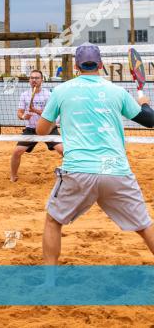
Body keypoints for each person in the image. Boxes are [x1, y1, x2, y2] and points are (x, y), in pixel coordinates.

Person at [36, 43, 154, 264]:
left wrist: (59, 122)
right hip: (116, 171)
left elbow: (41, 130)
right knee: (145, 225)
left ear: (76, 65)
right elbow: (150, 120)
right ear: (101, 65)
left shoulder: (61, 91)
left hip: (78, 170)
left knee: (53, 221)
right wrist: (145, 103)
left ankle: (49, 283)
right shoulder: (117, 92)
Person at [10, 69, 63, 182]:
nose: (34, 80)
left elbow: (51, 114)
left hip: (48, 128)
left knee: (63, 151)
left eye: (37, 78)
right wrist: (24, 116)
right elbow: (19, 113)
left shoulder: (49, 94)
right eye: (32, 78)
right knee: (16, 152)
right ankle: (13, 176)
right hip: (31, 129)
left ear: (42, 80)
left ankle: (70, 174)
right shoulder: (24, 94)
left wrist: (35, 110)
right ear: (29, 80)